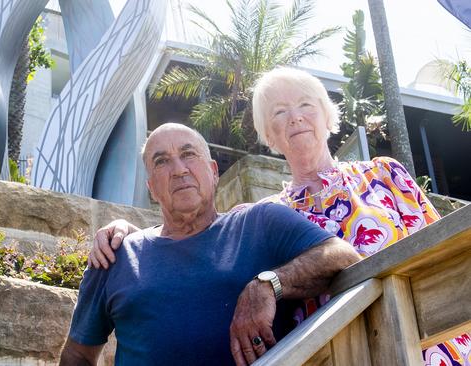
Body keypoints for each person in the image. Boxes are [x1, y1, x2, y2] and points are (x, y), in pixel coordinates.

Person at [89, 68, 467, 365]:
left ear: (326, 114)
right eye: (280, 112)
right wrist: (125, 231)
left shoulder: (385, 175)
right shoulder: (263, 217)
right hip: (334, 356)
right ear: (269, 132)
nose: (295, 118)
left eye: (305, 105)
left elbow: (446, 254)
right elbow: (192, 238)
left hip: (430, 343)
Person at [60, 123, 361, 366]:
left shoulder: (260, 223)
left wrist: (269, 284)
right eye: (161, 161)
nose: (179, 169)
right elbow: (78, 355)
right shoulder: (115, 255)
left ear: (214, 171)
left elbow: (343, 256)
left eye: (189, 154)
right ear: (151, 188)